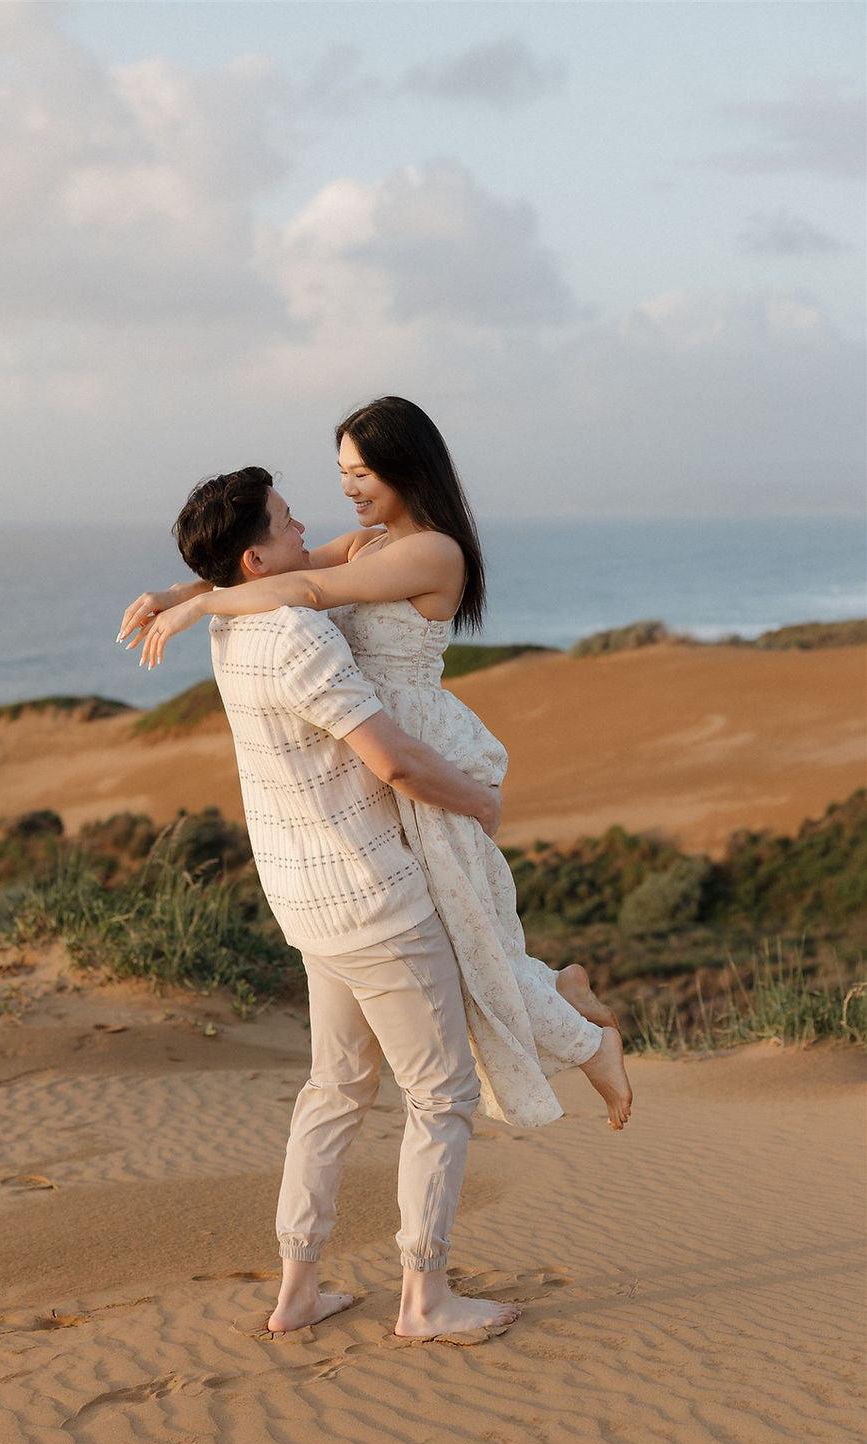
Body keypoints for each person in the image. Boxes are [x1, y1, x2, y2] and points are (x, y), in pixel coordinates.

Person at [119, 398, 632, 1134]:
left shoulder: (434, 551)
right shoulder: (369, 544)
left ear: (405, 466)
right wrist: (177, 591)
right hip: (381, 751)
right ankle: (566, 992)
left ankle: (591, 1046)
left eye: (361, 472)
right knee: (462, 938)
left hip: (421, 753)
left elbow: (303, 589)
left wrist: (202, 610)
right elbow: (267, 570)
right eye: (341, 474)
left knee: (462, 937)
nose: (350, 488)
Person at [120, 466, 521, 1341]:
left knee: (335, 1088)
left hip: (306, 904)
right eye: (288, 520)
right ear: (257, 559)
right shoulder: (297, 636)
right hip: (375, 902)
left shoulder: (234, 630)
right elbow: (398, 763)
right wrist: (482, 803)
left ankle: (297, 1293)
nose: (307, 526)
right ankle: (426, 1299)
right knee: (441, 1096)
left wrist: (183, 592)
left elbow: (293, 576)